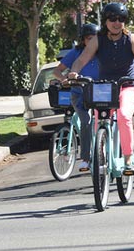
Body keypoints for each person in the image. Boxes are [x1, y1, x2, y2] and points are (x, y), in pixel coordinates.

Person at [68, 2, 134, 175]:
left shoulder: (131, 39)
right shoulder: (98, 40)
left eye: (121, 19)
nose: (117, 22)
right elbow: (81, 59)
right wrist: (74, 72)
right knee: (98, 122)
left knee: (124, 116)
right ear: (106, 21)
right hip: (105, 87)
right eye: (112, 18)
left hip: (127, 85)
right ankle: (99, 156)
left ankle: (128, 159)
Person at [53, 23, 100, 172]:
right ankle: (86, 159)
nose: (91, 41)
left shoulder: (103, 52)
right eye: (88, 38)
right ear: (83, 40)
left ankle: (104, 145)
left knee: (107, 121)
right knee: (85, 122)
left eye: (95, 38)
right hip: (78, 94)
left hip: (99, 93)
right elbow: (57, 71)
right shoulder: (76, 52)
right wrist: (64, 79)